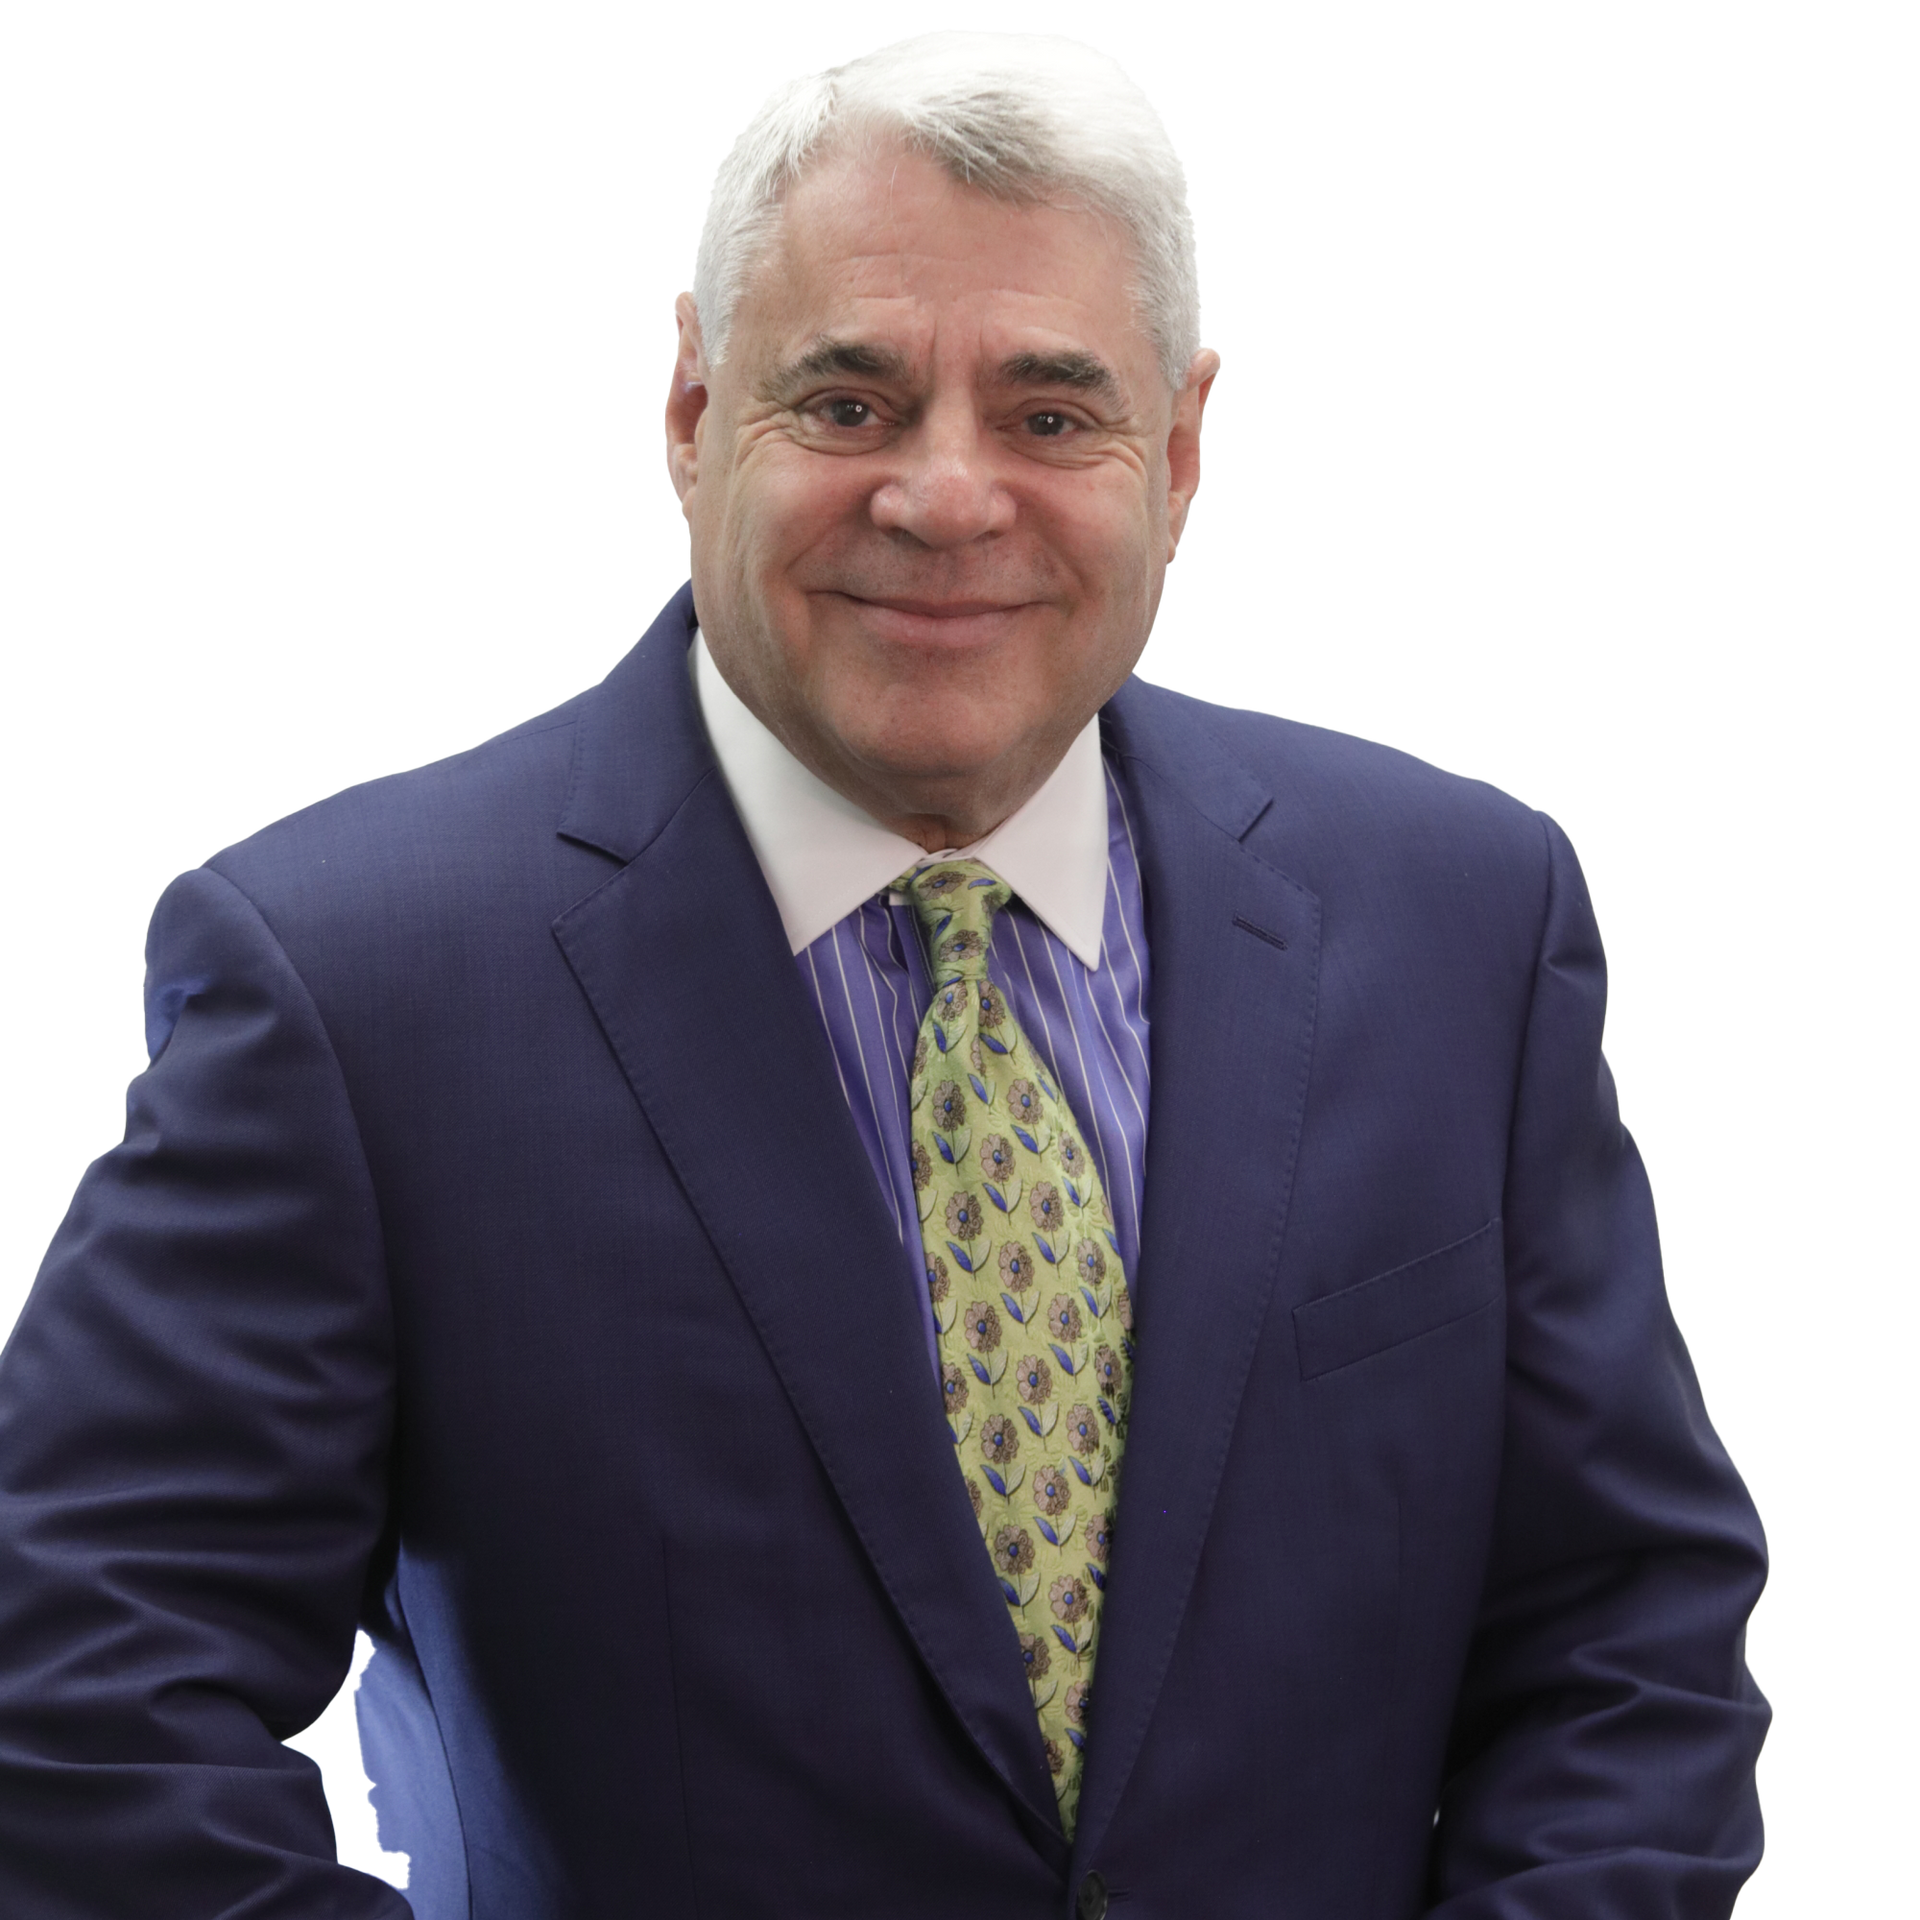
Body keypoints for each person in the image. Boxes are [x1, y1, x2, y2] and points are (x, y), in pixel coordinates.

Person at [0, 28, 1770, 1919]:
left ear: (1177, 451)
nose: (946, 498)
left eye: (1050, 414)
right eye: (846, 402)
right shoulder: (346, 980)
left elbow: (1622, 1635)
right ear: (691, 410)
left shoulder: (1462, 917)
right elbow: (78, 1698)